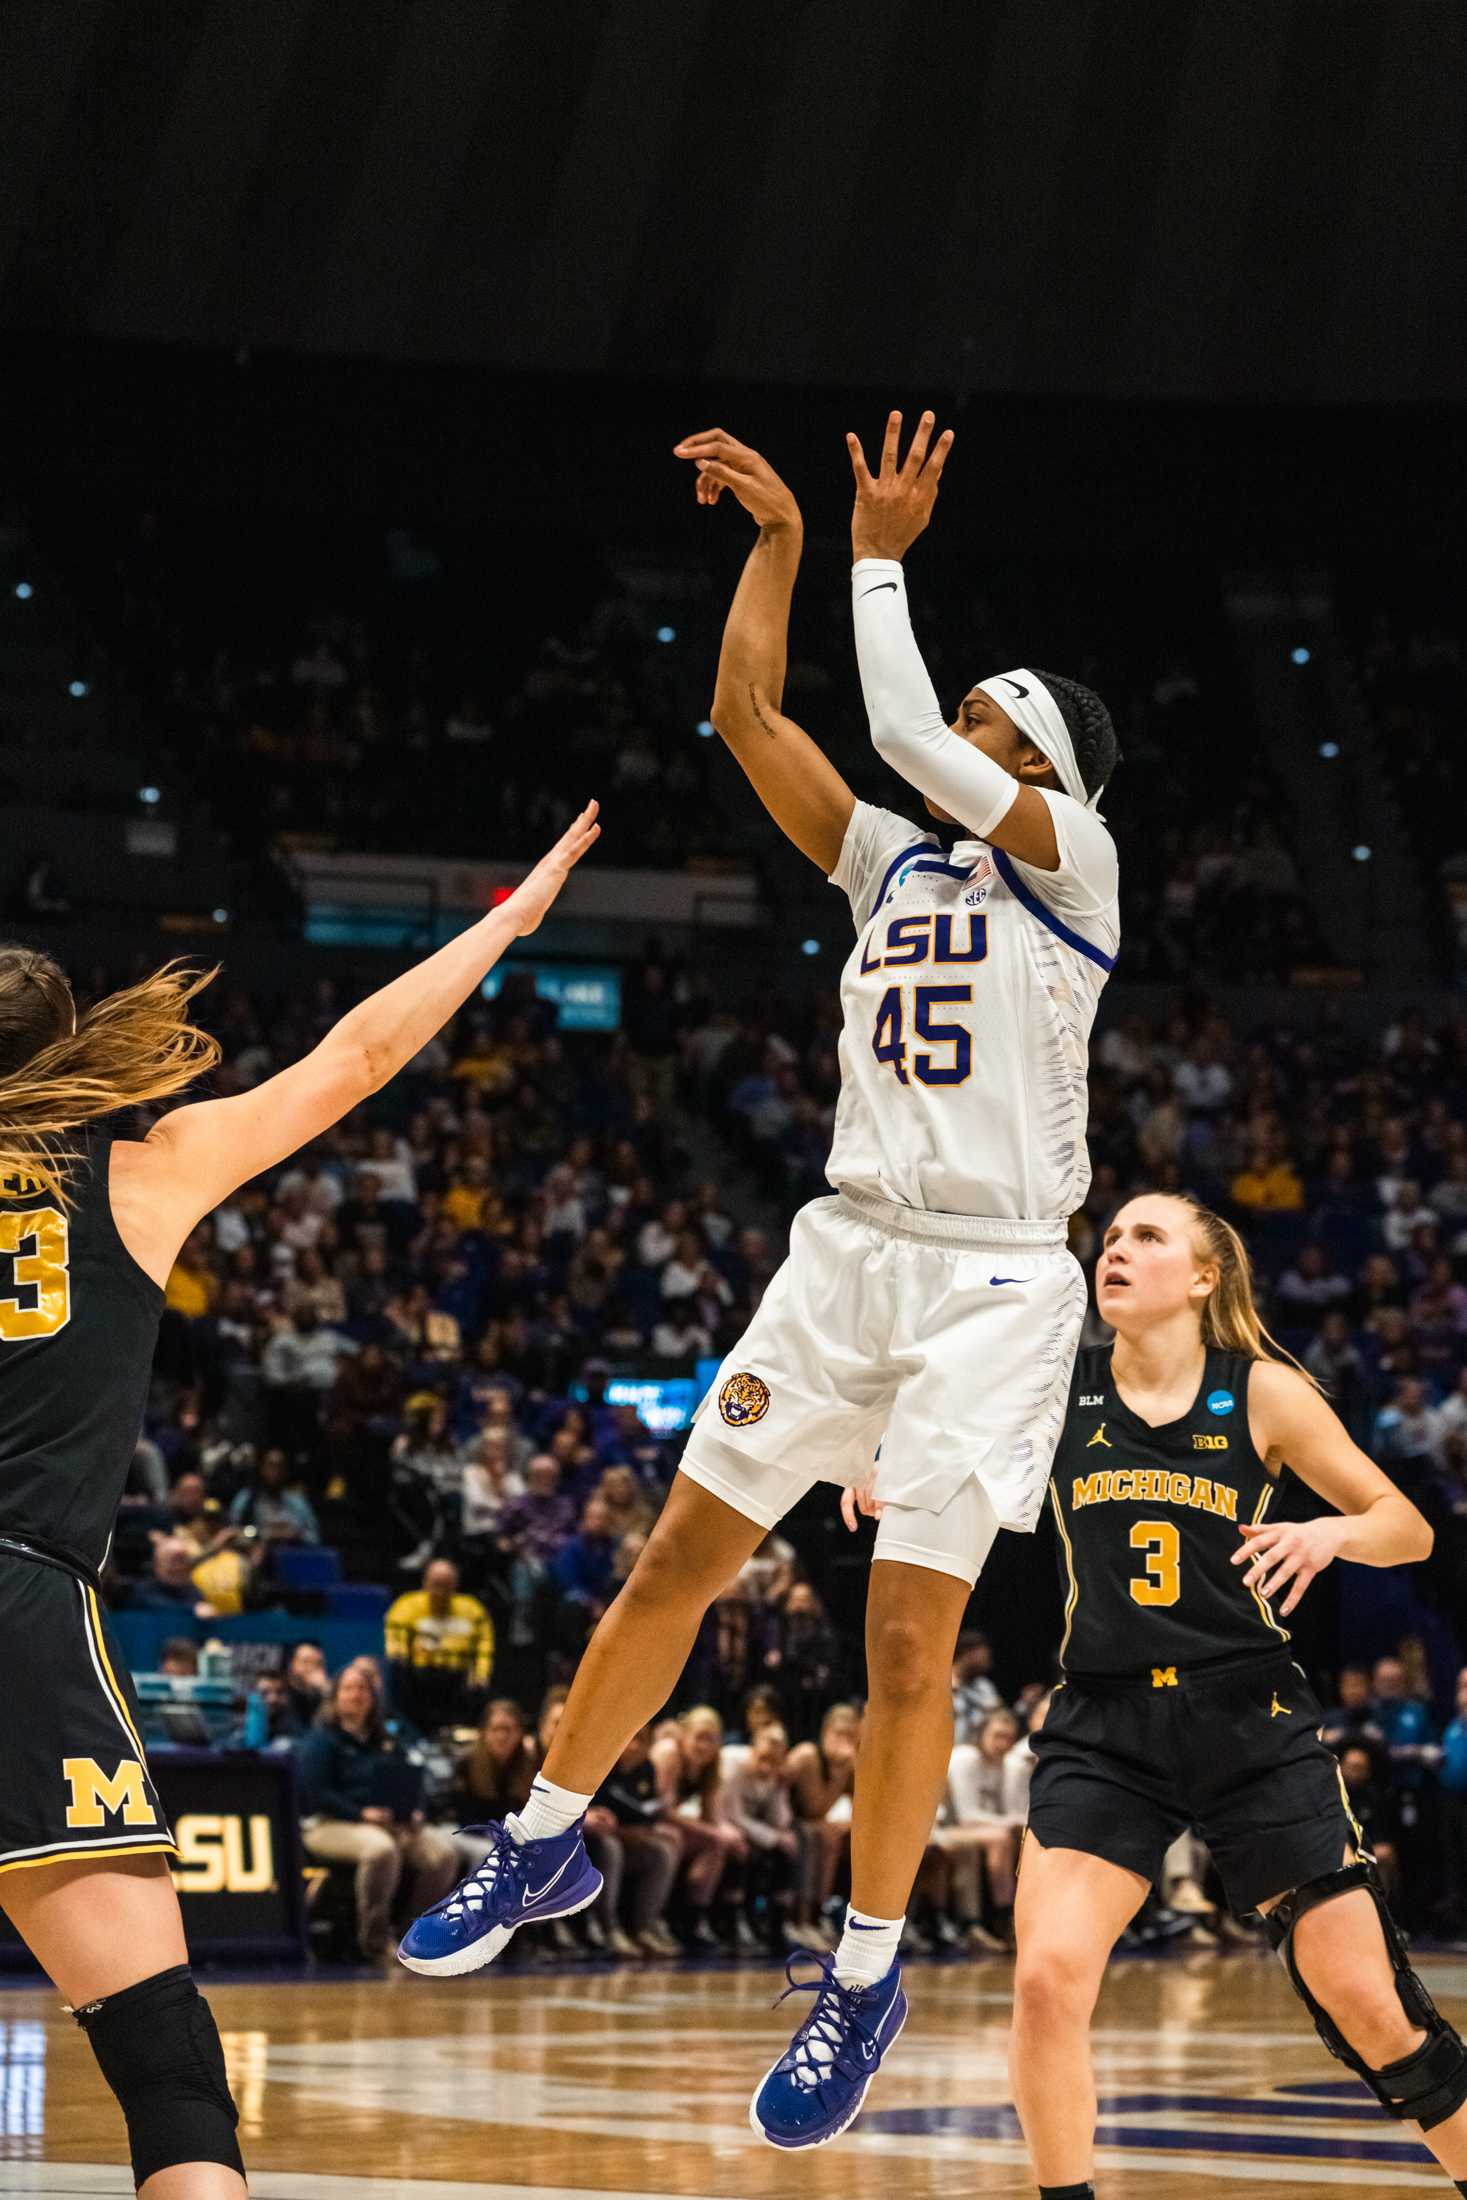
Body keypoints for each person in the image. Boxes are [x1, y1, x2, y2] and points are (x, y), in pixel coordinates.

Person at [402, 412, 1121, 2157]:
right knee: (678, 1552)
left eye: (984, 724)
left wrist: (880, 552)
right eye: (961, 719)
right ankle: (549, 1830)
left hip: (993, 1288)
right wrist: (783, 545)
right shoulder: (893, 864)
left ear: (1042, 768)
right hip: (846, 1248)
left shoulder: (1071, 867)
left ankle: (862, 1974)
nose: (949, 737)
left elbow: (881, 717)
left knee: (900, 1639)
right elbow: (749, 717)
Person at [0, 804, 596, 2193]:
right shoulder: (143, 1177)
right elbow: (363, 1054)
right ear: (76, 1064)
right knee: (162, 2067)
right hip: (23, 1603)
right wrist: (508, 921)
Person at [972, 1191, 1463, 2200]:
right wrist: (888, 1473)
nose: (1117, 1249)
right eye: (1109, 1237)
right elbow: (955, 1457)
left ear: (1204, 1276)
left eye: (1147, 1236)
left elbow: (1406, 1525)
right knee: (1044, 1980)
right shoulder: (1059, 1388)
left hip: (1247, 1714)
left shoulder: (1263, 1391)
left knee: (1373, 2008)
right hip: (1104, 1720)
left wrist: (1330, 1533)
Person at [296, 1663, 458, 1958]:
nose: (356, 1694)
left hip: (387, 1821)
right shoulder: (321, 1741)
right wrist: (361, 1815)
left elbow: (411, 1778)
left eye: (362, 1689)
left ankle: (414, 1934)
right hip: (329, 1823)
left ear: (373, 1698)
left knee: (442, 1854)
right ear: (335, 1697)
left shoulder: (385, 1740)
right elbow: (317, 1794)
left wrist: (414, 1811)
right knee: (381, 1850)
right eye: (348, 1688)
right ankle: (375, 1940)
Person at [383, 1556, 494, 1732]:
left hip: (458, 1680)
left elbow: (484, 1647)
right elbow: (395, 1638)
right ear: (425, 1582)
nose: (441, 1591)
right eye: (436, 1584)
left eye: (446, 1585)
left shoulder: (472, 1610)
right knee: (397, 1672)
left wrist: (480, 1673)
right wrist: (400, 1654)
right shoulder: (406, 1606)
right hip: (420, 1678)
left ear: (455, 1585)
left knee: (479, 1690)